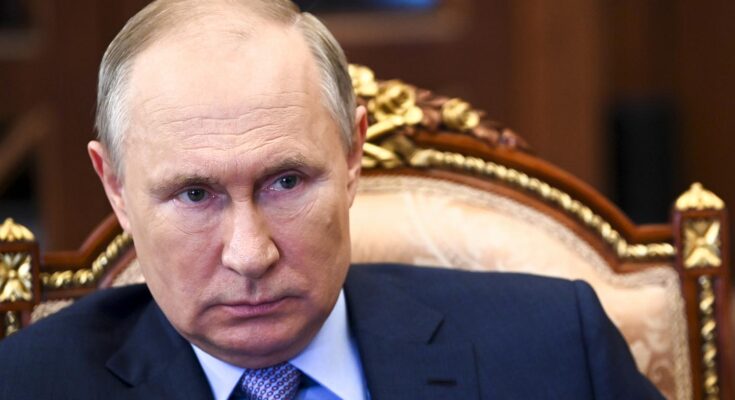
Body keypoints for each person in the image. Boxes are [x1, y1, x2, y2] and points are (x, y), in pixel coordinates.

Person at [0, 0, 664, 399]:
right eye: (195, 194)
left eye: (286, 182)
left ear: (351, 156)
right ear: (116, 188)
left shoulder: (553, 348)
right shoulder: (29, 385)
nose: (250, 255)